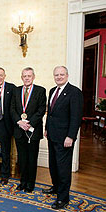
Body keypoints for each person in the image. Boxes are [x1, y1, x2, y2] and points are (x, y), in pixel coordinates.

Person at [42, 66, 83, 210]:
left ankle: (63, 198)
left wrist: (71, 136)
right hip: (52, 135)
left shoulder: (74, 92)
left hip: (65, 138)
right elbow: (50, 113)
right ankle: (56, 187)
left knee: (63, 168)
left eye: (61, 74)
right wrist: (46, 128)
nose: (59, 77)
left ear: (67, 75)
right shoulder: (53, 91)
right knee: (53, 165)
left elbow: (76, 117)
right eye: (56, 75)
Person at [11, 67, 46, 192]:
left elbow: (41, 110)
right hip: (19, 130)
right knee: (22, 159)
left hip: (33, 131)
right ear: (21, 77)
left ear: (33, 77)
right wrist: (19, 122)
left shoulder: (40, 91)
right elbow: (12, 109)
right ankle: (22, 182)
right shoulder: (16, 90)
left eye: (29, 76)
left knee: (32, 159)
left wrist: (29, 123)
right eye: (24, 76)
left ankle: (30, 184)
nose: (26, 78)